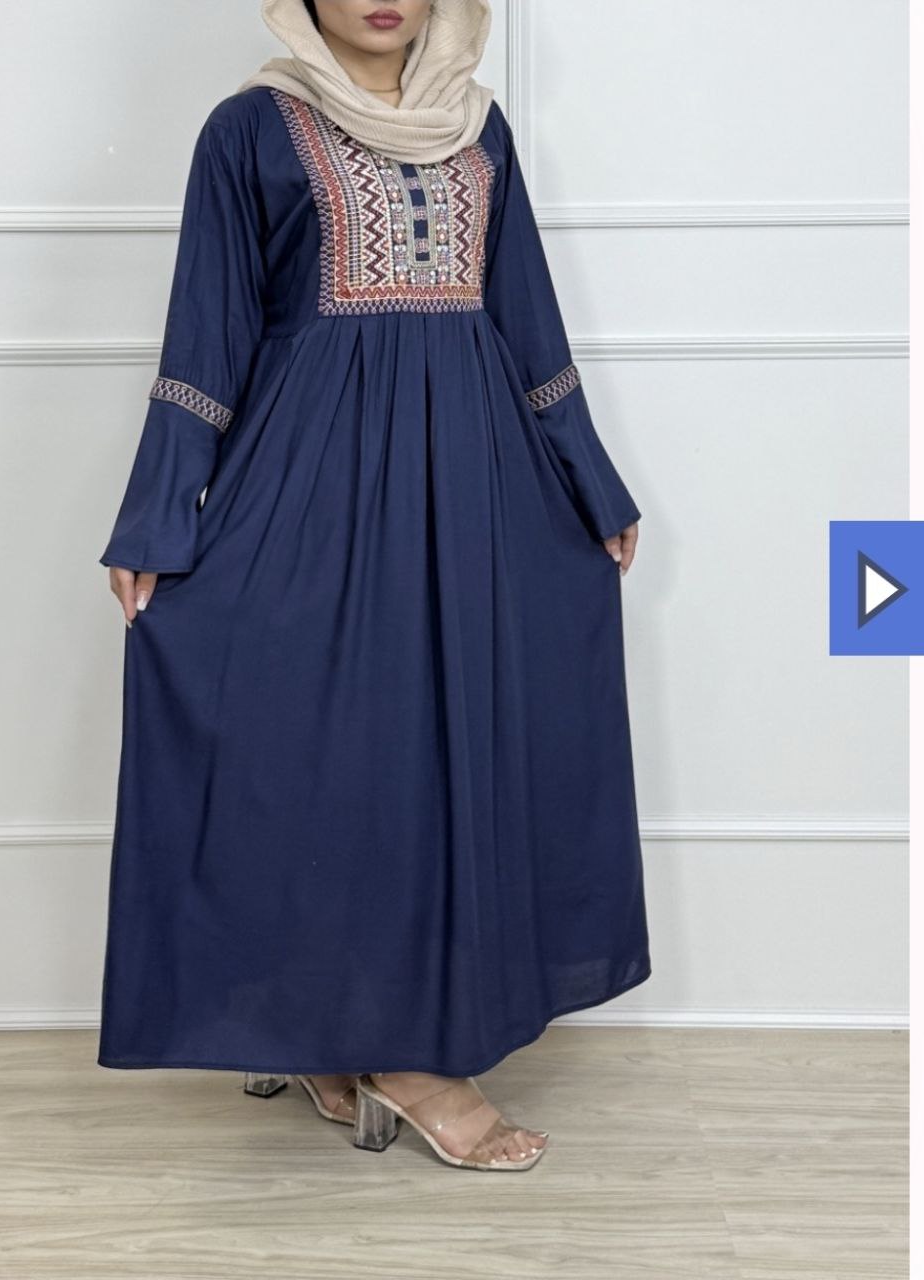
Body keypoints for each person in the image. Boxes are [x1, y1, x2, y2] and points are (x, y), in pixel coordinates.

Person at [96, 0, 651, 1173]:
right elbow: (206, 334)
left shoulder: (479, 130)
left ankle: (393, 1044)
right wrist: (157, 514)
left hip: (477, 479)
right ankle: (360, 1036)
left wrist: (591, 481)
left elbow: (527, 320)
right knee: (326, 752)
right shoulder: (250, 128)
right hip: (313, 478)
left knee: (443, 752)